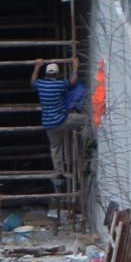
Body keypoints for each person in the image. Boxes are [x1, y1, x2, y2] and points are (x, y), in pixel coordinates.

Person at [34, 57, 89, 185]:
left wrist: (37, 66)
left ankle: (59, 172)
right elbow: (73, 81)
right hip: (62, 120)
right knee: (86, 120)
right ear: (57, 74)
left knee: (55, 147)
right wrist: (75, 65)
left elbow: (32, 81)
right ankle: (88, 145)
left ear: (46, 74)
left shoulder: (41, 85)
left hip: (49, 124)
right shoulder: (59, 84)